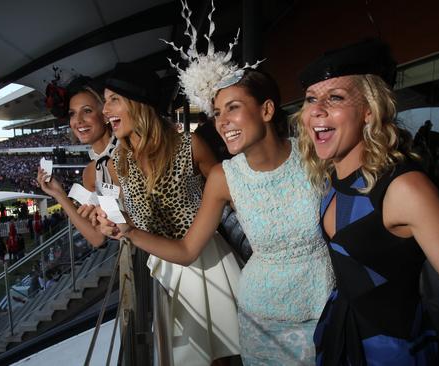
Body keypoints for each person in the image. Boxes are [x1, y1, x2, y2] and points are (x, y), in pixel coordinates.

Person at [295, 38, 439, 365]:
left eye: (335, 97)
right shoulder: (330, 179)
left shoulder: (406, 189)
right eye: (310, 99)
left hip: (391, 351)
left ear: (368, 111)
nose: (316, 109)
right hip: (341, 334)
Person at [95, 61, 335, 364]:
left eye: (232, 108)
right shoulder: (224, 177)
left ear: (267, 110)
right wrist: (125, 228)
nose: (221, 122)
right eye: (217, 113)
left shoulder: (317, 156)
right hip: (255, 313)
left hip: (324, 308)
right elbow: (186, 249)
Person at [72, 61, 243, 366]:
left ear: (139, 105)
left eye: (114, 100)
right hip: (164, 269)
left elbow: (231, 196)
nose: (104, 109)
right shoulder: (116, 165)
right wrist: (110, 225)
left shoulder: (190, 146)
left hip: (208, 264)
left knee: (225, 357)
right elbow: (126, 225)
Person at [36, 75, 118, 247]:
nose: (78, 121)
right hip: (131, 261)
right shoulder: (89, 173)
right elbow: (97, 238)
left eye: (87, 110)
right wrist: (59, 194)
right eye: (72, 114)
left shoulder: (128, 154)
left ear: (105, 115)